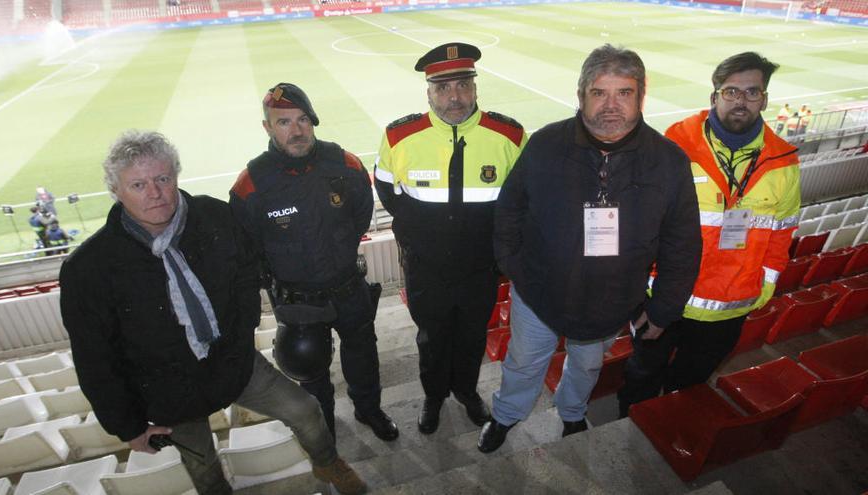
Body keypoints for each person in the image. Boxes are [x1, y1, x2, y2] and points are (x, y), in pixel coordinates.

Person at [60, 130, 366, 495]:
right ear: (116, 191)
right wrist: (128, 426)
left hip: (233, 361)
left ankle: (328, 463)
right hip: (167, 388)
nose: (155, 193)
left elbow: (245, 281)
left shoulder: (215, 216)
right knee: (203, 468)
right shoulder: (89, 268)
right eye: (138, 185)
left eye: (162, 179)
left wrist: (239, 342)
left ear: (175, 175)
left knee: (306, 409)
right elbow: (95, 358)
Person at [478, 44, 702, 453]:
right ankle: (506, 415)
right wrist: (516, 269)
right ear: (581, 95)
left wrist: (664, 308)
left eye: (624, 92)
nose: (611, 105)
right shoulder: (545, 144)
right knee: (524, 363)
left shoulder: (668, 162)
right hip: (538, 291)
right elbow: (509, 210)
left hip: (611, 301)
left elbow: (682, 243)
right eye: (600, 92)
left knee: (587, 365)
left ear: (641, 96)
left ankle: (572, 412)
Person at [617, 52, 800, 417]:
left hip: (728, 309)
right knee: (642, 373)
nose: (741, 101)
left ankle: (668, 426)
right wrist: (641, 291)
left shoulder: (784, 161)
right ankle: (630, 427)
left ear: (764, 99)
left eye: (752, 92)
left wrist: (760, 290)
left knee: (689, 383)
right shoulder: (675, 144)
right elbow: (640, 221)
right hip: (664, 300)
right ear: (714, 96)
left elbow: (782, 233)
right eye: (731, 91)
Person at [229, 83, 398, 442]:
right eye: (284, 122)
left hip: (348, 286)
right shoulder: (251, 184)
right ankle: (324, 429)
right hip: (296, 300)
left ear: (313, 121)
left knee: (363, 356)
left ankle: (369, 410)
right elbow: (246, 247)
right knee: (310, 370)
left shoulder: (345, 163)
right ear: (268, 128)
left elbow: (360, 216)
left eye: (303, 120)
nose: (297, 130)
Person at [374, 42, 527, 434]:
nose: (454, 97)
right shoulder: (399, 137)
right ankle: (434, 395)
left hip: (480, 267)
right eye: (443, 88)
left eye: (462, 85)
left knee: (473, 335)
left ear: (476, 88)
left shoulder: (508, 136)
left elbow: (523, 200)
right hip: (426, 268)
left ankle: (467, 392)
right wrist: (418, 236)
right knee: (431, 337)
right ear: (428, 92)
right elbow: (388, 189)